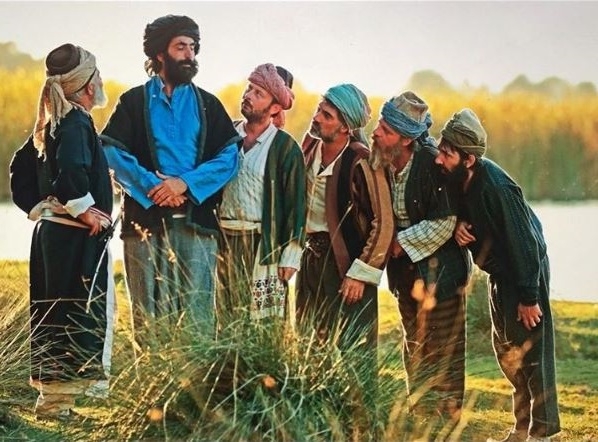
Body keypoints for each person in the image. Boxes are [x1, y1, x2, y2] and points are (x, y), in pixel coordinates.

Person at [100, 15, 241, 336]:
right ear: (160, 53)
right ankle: (152, 371)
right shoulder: (133, 101)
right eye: (181, 47)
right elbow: (112, 152)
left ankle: (195, 372)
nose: (190, 55)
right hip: (144, 225)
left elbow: (229, 157)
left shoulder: (208, 104)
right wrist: (153, 186)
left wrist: (184, 184)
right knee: (147, 318)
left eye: (193, 47)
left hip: (196, 225)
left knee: (197, 318)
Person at [434, 109, 560, 442]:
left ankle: (542, 434)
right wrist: (458, 225)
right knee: (507, 351)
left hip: (524, 273)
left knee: (532, 353)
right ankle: (520, 430)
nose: (438, 159)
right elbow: (460, 211)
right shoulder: (459, 179)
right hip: (500, 276)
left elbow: (527, 243)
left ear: (469, 159)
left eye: (447, 153)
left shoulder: (498, 187)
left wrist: (529, 298)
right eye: (440, 150)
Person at [9, 43, 115, 418]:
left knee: (55, 313)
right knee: (72, 314)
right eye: (96, 74)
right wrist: (85, 211)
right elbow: (71, 171)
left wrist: (39, 207)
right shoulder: (74, 122)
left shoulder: (51, 124)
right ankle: (56, 403)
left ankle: (56, 401)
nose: (100, 80)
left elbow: (18, 170)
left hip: (54, 236)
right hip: (72, 239)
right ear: (88, 85)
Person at [372, 91, 472, 432]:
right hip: (405, 275)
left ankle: (447, 419)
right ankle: (419, 411)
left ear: (405, 139)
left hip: (441, 273)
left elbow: (445, 220)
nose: (376, 132)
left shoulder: (430, 162)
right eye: (379, 125)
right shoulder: (382, 160)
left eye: (385, 129)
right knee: (414, 341)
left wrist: (399, 242)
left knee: (444, 346)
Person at [295, 84, 394, 423]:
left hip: (347, 266)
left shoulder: (361, 160)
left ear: (345, 127)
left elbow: (383, 222)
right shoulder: (310, 147)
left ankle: (362, 427)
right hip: (311, 257)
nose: (317, 118)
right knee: (308, 343)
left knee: (355, 351)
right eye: (319, 109)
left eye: (327, 115)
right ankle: (316, 423)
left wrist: (360, 273)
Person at [217, 63, 306, 324]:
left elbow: (296, 207)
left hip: (262, 241)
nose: (248, 96)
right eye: (249, 88)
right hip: (222, 239)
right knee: (222, 318)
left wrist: (290, 256)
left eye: (258, 93)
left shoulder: (286, 148)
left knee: (263, 322)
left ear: (275, 108)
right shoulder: (224, 136)